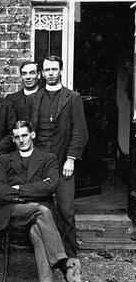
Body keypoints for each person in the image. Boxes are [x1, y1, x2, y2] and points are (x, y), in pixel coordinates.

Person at [0, 120, 92, 282]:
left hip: (39, 219)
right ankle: (65, 267)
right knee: (42, 210)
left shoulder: (48, 158)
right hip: (14, 213)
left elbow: (51, 185)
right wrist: (36, 189)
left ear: (33, 135)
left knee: (37, 230)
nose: (21, 140)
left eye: (24, 135)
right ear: (13, 140)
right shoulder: (4, 160)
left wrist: (19, 189)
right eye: (17, 137)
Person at [29, 55, 88, 259]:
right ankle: (45, 251)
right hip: (40, 163)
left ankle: (70, 256)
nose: (50, 73)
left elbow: (80, 131)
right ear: (42, 73)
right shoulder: (36, 97)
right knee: (42, 208)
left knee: (66, 210)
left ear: (60, 71)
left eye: (54, 69)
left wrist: (71, 158)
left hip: (64, 162)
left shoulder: (72, 98)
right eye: (47, 70)